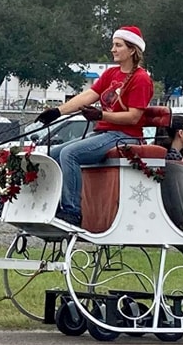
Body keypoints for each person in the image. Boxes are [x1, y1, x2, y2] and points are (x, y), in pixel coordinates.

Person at [35, 26, 154, 227]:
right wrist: (58, 112)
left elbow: (134, 117)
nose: (113, 49)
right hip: (105, 133)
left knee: (70, 154)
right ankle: (52, 207)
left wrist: (101, 114)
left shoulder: (141, 79)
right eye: (113, 45)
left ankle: (72, 212)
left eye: (118, 45)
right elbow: (87, 96)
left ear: (132, 50)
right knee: (55, 155)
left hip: (125, 135)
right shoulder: (111, 74)